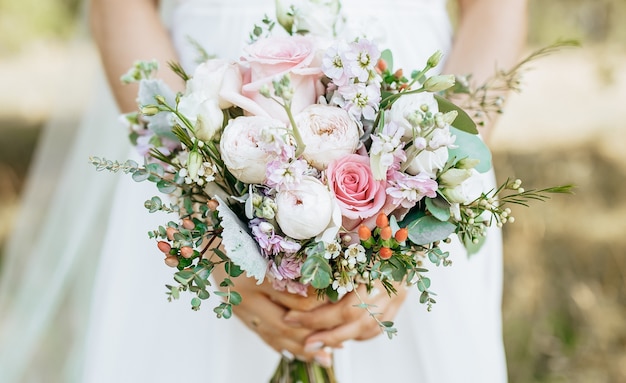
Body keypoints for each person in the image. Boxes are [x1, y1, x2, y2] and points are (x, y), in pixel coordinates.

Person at [0, 0, 527, 382]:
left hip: (410, 123)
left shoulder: (424, 164)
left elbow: (496, 10)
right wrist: (207, 221)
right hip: (200, 123)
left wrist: (421, 188)